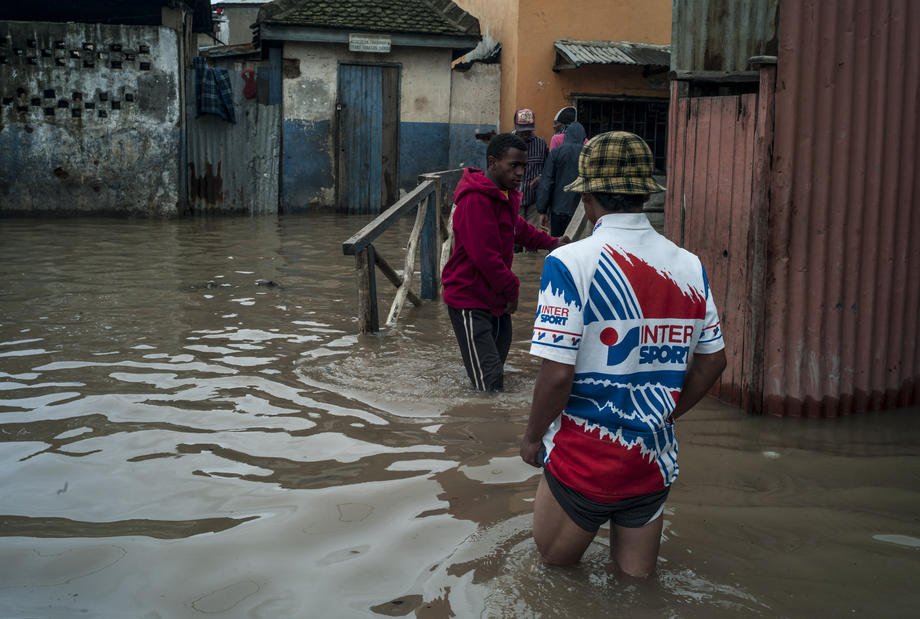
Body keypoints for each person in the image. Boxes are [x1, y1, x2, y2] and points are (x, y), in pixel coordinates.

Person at [519, 131, 727, 577]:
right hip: (651, 462)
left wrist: (532, 438)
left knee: (554, 574)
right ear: (643, 194)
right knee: (636, 586)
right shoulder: (689, 265)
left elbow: (557, 375)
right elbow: (713, 361)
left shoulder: (571, 262)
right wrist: (665, 415)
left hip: (583, 462)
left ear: (589, 198)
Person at [442, 133, 570, 392]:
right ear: (493, 163)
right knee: (489, 384)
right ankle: (476, 430)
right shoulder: (475, 200)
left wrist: (552, 242)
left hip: (495, 297)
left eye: (523, 166)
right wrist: (512, 289)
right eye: (514, 165)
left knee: (495, 373)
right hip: (469, 299)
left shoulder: (505, 195)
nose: (521, 172)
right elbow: (485, 257)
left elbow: (518, 229)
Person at [536, 121, 586, 236]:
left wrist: (542, 210)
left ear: (566, 136)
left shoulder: (556, 153)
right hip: (580, 210)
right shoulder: (588, 154)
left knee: (558, 245)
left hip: (558, 210)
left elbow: (546, 183)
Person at [511, 108, 548, 230]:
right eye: (522, 132)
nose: (525, 135)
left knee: (533, 237)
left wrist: (541, 177)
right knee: (514, 236)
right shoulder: (507, 143)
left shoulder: (541, 144)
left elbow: (548, 168)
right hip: (513, 199)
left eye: (528, 131)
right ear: (515, 126)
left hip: (534, 200)